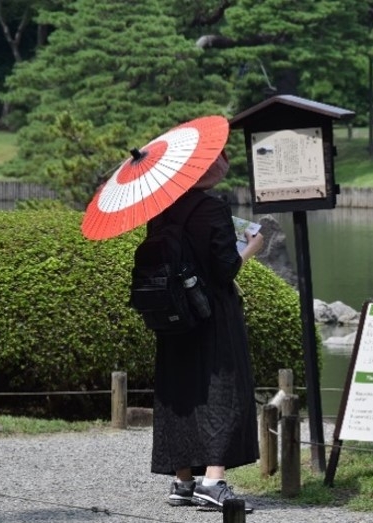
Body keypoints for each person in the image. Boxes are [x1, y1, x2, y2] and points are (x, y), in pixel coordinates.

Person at [147, 151, 264, 513]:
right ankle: (213, 481)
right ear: (209, 168)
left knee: (179, 391)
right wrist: (253, 248)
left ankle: (183, 482)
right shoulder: (212, 209)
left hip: (172, 315)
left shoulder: (160, 209)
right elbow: (225, 268)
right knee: (222, 391)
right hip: (212, 314)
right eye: (222, 159)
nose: (225, 164)